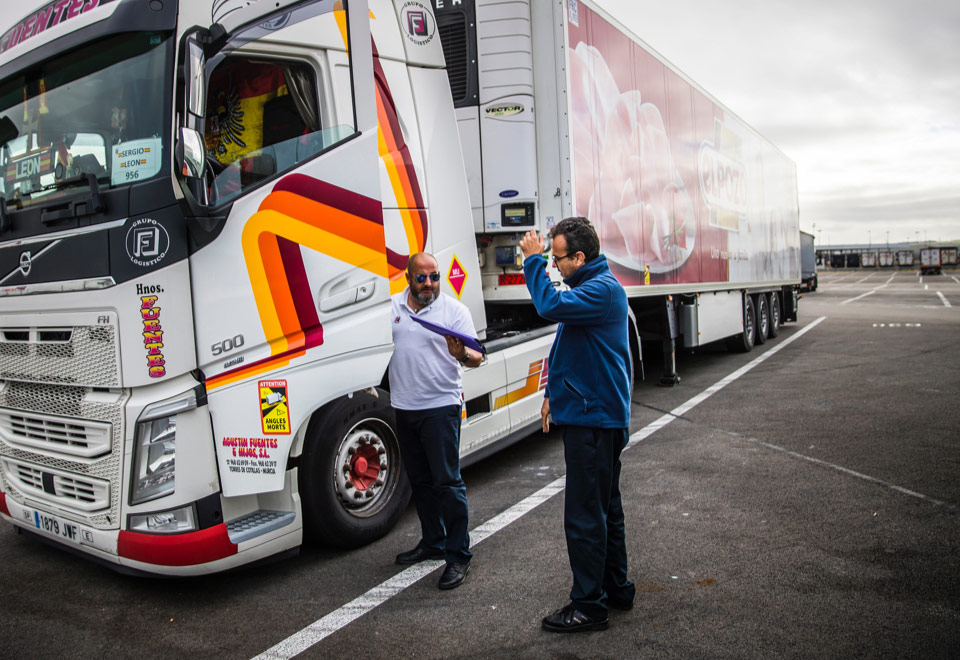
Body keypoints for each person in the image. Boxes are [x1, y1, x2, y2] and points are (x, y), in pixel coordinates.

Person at [518, 217, 635, 632]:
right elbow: (570, 343)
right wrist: (553, 393)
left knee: (586, 515)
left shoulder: (600, 291)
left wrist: (531, 262)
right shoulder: (593, 289)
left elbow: (548, 307)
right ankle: (616, 588)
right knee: (606, 509)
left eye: (557, 257)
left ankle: (589, 604)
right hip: (595, 414)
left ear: (580, 257)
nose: (553, 263)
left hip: (595, 421)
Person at [388, 252, 483, 590]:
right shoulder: (392, 310)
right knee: (421, 482)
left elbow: (477, 356)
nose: (429, 284)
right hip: (404, 406)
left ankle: (458, 555)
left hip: (440, 407)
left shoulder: (454, 311)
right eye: (422, 278)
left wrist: (461, 354)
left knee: (447, 482)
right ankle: (433, 542)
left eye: (434, 277)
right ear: (408, 279)